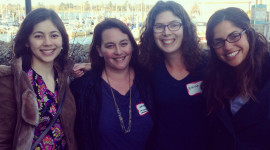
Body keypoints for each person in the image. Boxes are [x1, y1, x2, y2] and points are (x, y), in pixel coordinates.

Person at [70, 18, 154, 150]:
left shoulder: (148, 80)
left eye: (123, 43)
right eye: (110, 46)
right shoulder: (82, 89)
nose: (119, 51)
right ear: (99, 51)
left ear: (132, 45)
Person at [0, 8, 77, 150]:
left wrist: (92, 67)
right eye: (38, 36)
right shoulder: (11, 82)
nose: (47, 42)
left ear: (62, 40)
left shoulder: (65, 78)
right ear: (27, 41)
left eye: (54, 35)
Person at [139, 1, 209, 150]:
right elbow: (121, 67)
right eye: (159, 26)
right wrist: (95, 67)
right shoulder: (147, 68)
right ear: (152, 31)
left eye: (174, 24)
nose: (166, 32)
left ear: (185, 28)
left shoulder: (206, 64)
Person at [202, 7, 270, 150]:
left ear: (248, 34)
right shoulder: (214, 79)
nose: (227, 46)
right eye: (219, 42)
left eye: (234, 36)